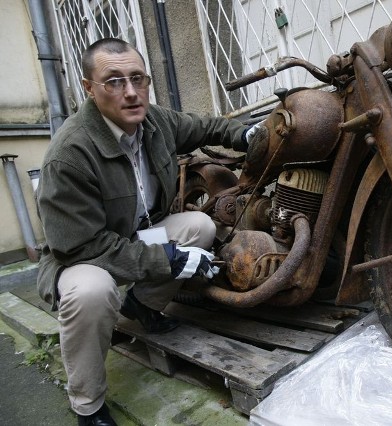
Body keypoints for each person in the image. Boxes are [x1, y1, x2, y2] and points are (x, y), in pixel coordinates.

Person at [36, 38, 253, 425]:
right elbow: (80, 245)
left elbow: (205, 127)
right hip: (83, 258)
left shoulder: (154, 121)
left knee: (199, 226)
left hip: (136, 237)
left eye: (138, 78)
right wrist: (168, 258)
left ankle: (142, 306)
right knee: (92, 291)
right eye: (114, 81)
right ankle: (88, 405)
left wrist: (248, 135)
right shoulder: (69, 155)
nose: (132, 92)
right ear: (89, 88)